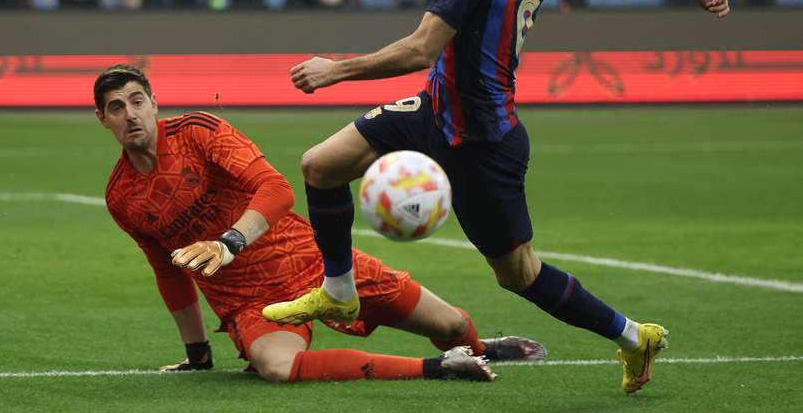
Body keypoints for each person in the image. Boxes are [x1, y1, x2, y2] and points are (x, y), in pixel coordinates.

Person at [262, 0, 730, 395]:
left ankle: (633, 335)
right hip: (435, 109)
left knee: (520, 275)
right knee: (321, 165)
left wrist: (337, 70)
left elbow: (420, 49)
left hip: (481, 139)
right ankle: (340, 290)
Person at [94, 64, 546, 383]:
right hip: (248, 299)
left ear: (154, 103)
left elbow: (277, 190)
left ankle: (479, 349)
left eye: (137, 101)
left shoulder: (199, 131)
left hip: (316, 264)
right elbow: (168, 272)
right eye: (117, 107)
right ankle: (439, 368)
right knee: (277, 368)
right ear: (104, 119)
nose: (130, 114)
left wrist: (229, 241)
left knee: (449, 327)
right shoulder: (121, 197)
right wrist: (197, 353)